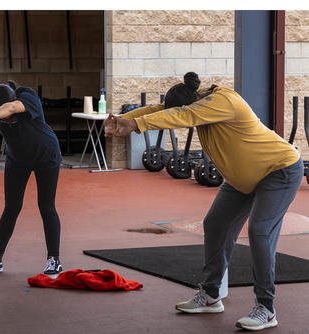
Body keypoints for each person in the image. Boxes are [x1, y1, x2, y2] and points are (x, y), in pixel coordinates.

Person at [106, 72, 303, 331]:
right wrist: (125, 118)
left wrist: (137, 125)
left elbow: (181, 115)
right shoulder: (198, 103)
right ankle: (210, 295)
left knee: (260, 232)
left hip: (279, 171)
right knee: (215, 225)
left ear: (193, 103)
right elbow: (164, 110)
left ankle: (266, 308)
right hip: (242, 177)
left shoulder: (223, 102)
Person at [0, 80, 63, 278]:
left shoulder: (26, 96)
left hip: (46, 155)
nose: (7, 120)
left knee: (46, 206)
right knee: (11, 207)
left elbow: (12, 107)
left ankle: (54, 260)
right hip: (17, 158)